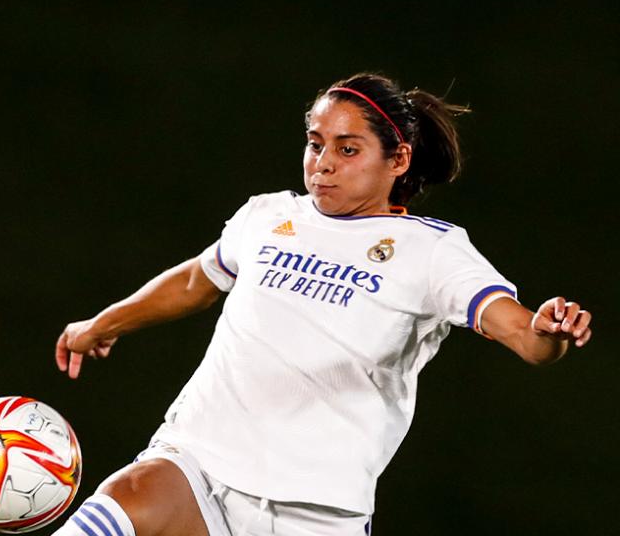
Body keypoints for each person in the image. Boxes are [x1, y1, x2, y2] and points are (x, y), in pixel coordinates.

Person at [51, 73, 593, 536]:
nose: (323, 164)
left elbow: (523, 336)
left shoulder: (431, 250)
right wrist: (101, 324)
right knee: (129, 495)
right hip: (199, 462)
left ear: (398, 159)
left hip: (316, 511)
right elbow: (197, 280)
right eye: (316, 144)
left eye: (347, 149)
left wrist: (548, 330)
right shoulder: (268, 216)